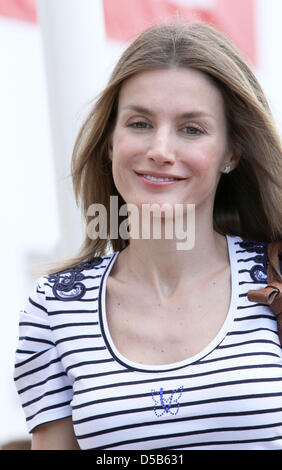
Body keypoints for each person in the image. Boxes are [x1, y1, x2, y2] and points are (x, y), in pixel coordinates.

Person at [14, 22, 282, 450]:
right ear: (110, 142)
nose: (160, 149)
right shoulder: (54, 307)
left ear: (231, 152)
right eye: (139, 123)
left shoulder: (275, 281)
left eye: (191, 129)